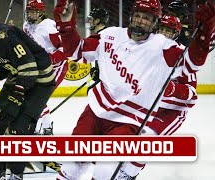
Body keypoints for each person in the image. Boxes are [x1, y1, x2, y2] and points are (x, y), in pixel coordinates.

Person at [53, 0, 215, 179]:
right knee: (71, 165)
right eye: (138, 15)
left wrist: (203, 35)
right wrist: (66, 26)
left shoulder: (163, 47)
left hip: (129, 120)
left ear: (154, 22)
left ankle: (130, 171)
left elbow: (191, 64)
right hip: (95, 111)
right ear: (131, 17)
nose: (140, 20)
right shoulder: (110, 35)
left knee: (105, 172)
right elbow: (76, 52)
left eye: (147, 18)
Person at [0, 1, 55, 180]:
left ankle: (16, 175)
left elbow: (30, 67)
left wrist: (16, 95)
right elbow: (7, 65)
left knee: (18, 128)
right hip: (21, 76)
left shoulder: (6, 35)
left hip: (40, 82)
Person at [23, 0, 69, 135]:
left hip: (56, 68)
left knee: (38, 96)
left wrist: (49, 58)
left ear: (41, 12)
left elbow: (64, 49)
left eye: (33, 12)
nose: (30, 15)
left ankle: (46, 126)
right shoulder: (27, 25)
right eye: (29, 12)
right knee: (32, 95)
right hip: (39, 67)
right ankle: (43, 124)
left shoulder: (49, 27)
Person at [85, 8, 109, 91]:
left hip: (111, 81)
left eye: (91, 20)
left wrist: (101, 72)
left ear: (97, 21)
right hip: (107, 79)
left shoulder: (104, 36)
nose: (89, 22)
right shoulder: (104, 34)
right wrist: (98, 70)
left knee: (91, 91)